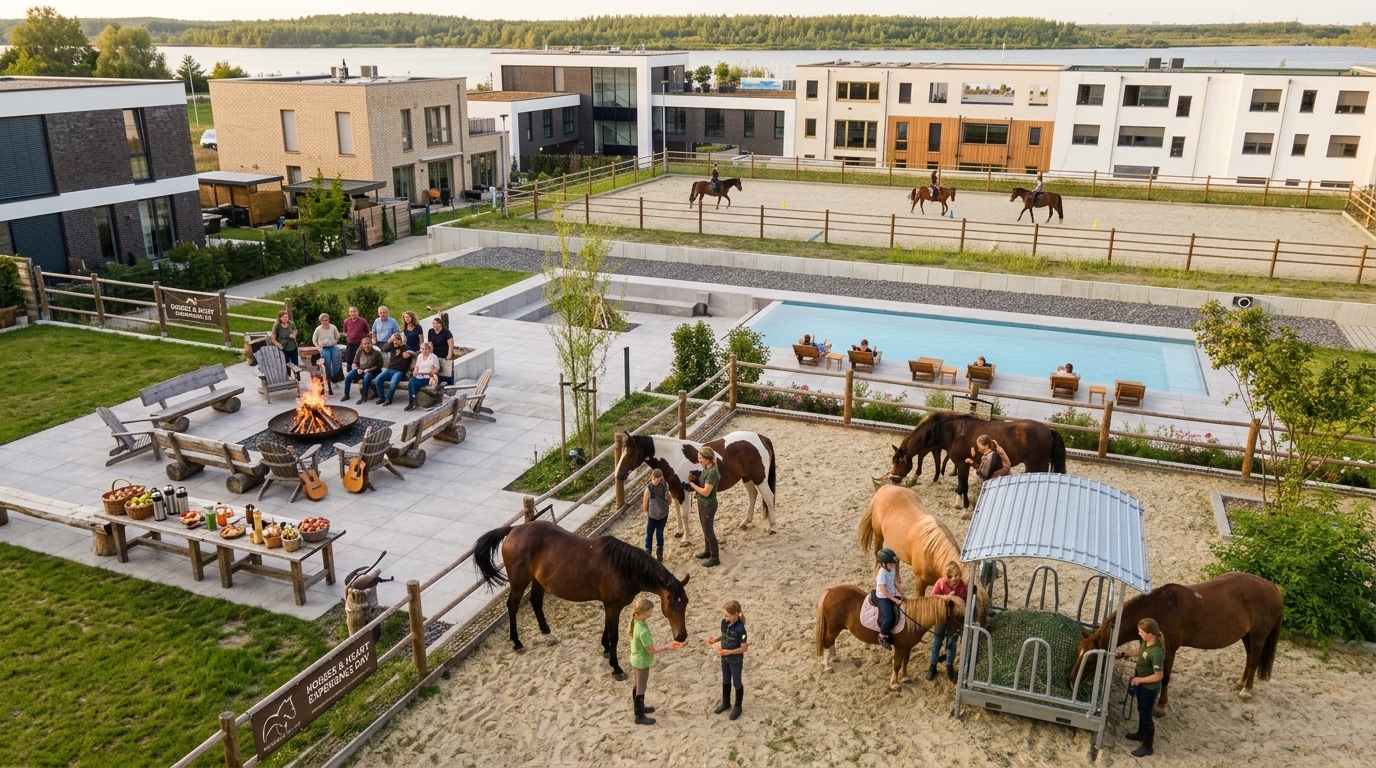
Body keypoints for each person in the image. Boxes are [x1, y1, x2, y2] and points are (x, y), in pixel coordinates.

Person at [628, 597, 683, 725]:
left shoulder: (636, 622)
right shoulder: (642, 630)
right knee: (641, 688)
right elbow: (651, 650)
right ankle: (639, 716)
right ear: (645, 612)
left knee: (637, 685)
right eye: (650, 612)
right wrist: (668, 647)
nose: (651, 614)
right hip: (642, 662)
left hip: (635, 659)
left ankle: (640, 708)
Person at [1117, 618, 1166, 758]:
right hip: (1141, 684)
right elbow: (1139, 651)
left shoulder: (1156, 653)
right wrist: (1124, 653)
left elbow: (1158, 676)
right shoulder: (1146, 642)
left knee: (1146, 716)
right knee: (1141, 709)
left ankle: (1148, 746)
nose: (1139, 634)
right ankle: (1140, 734)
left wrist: (1140, 679)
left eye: (1142, 632)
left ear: (1150, 634)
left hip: (1149, 688)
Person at [707, 600, 749, 720]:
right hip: (724, 657)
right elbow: (724, 634)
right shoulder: (724, 623)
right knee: (725, 680)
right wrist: (715, 640)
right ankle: (726, 703)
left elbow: (744, 648)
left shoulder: (741, 629)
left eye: (727, 616)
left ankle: (738, 706)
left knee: (737, 682)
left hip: (735, 659)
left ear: (736, 614)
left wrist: (729, 652)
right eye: (724, 615)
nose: (725, 618)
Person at [927, 561, 967, 682]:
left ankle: (949, 667)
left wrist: (957, 601)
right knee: (937, 641)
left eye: (956, 576)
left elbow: (964, 601)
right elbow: (932, 596)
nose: (954, 579)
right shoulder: (940, 583)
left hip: (954, 620)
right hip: (941, 616)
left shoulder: (963, 587)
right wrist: (947, 597)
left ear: (959, 575)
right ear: (946, 576)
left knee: (952, 643)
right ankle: (932, 666)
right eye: (950, 576)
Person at [686, 445, 721, 567]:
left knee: (709, 531)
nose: (699, 460)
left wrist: (693, 485)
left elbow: (706, 492)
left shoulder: (712, 472)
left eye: (701, 458)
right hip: (702, 503)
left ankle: (715, 557)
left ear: (708, 459)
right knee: (705, 529)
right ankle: (707, 551)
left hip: (709, 505)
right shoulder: (707, 468)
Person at [874, 547, 905, 650]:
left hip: (891, 593)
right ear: (883, 564)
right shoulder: (881, 574)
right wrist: (895, 600)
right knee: (889, 617)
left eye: (894, 563)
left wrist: (902, 594)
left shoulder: (892, 569)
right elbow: (884, 591)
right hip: (883, 597)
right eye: (891, 564)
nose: (893, 565)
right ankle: (882, 635)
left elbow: (895, 582)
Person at [373, 333, 412, 406]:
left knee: (393, 383)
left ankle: (389, 399)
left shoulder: (405, 347)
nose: (395, 342)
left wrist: (409, 353)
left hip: (399, 371)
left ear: (401, 341)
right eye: (394, 340)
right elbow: (384, 349)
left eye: (397, 340)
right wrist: (389, 341)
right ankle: (381, 397)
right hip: (389, 369)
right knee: (377, 379)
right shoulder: (392, 347)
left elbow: (413, 352)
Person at [341, 336, 383, 403]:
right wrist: (357, 368)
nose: (366, 345)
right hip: (361, 370)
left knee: (366, 377)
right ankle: (346, 394)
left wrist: (369, 369)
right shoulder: (359, 351)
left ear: (371, 344)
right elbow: (355, 362)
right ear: (362, 345)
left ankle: (364, 396)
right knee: (349, 376)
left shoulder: (376, 353)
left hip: (373, 371)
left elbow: (380, 365)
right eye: (365, 344)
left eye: (368, 343)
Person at [405, 342, 441, 411]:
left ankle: (412, 401)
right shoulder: (420, 356)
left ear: (429, 349)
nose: (424, 350)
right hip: (419, 375)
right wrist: (415, 371)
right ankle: (413, 400)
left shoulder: (433, 357)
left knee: (413, 382)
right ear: (420, 349)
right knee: (411, 382)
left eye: (426, 349)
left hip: (427, 377)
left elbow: (436, 369)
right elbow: (417, 367)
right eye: (422, 349)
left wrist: (429, 372)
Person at [643, 469, 670, 562]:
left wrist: (646, 511)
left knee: (654, 533)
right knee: (654, 533)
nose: (657, 481)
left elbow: (645, 504)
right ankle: (654, 554)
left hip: (658, 514)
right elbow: (669, 501)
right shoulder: (662, 486)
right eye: (656, 479)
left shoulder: (652, 488)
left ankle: (653, 554)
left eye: (658, 479)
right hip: (658, 514)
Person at [313, 313, 342, 382]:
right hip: (324, 347)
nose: (325, 322)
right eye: (323, 320)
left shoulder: (333, 327)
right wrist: (318, 347)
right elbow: (314, 340)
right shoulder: (318, 329)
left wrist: (335, 342)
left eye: (326, 320)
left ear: (328, 320)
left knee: (336, 359)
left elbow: (337, 336)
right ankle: (328, 376)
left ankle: (335, 376)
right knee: (327, 361)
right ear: (321, 321)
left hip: (332, 346)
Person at [428, 316, 455, 385]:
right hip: (435, 354)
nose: (434, 325)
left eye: (436, 323)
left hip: (444, 353)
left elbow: (451, 344)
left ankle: (450, 384)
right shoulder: (431, 331)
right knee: (436, 370)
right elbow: (430, 343)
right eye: (433, 323)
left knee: (447, 371)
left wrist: (449, 355)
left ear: (440, 324)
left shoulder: (446, 332)